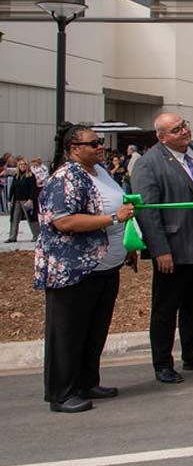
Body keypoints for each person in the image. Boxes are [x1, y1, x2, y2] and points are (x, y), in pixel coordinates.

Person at [34, 123, 135, 413]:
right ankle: (62, 393)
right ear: (74, 149)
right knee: (68, 332)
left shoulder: (100, 173)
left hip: (105, 265)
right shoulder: (66, 177)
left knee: (94, 329)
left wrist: (126, 245)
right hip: (73, 269)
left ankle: (87, 381)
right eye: (92, 143)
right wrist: (113, 219)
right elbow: (63, 221)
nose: (99, 147)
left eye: (100, 142)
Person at [132, 113, 193, 384]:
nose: (184, 131)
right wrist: (160, 250)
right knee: (166, 309)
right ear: (161, 137)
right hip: (174, 249)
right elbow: (148, 212)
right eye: (176, 130)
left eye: (185, 125)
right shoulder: (149, 164)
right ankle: (162, 363)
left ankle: (192, 353)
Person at [6, 157, 39, 242]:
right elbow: (12, 188)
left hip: (27, 200)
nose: (22, 166)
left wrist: (31, 199)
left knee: (31, 218)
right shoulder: (16, 176)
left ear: (27, 166)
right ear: (18, 166)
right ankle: (12, 237)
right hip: (17, 200)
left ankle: (36, 235)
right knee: (14, 218)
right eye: (20, 164)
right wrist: (9, 200)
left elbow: (33, 189)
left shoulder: (31, 176)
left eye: (24, 164)